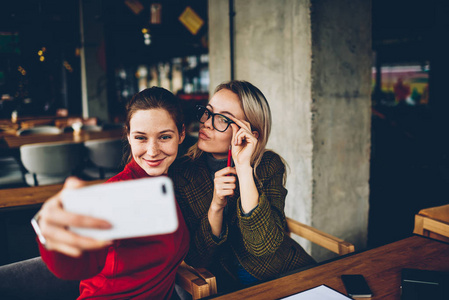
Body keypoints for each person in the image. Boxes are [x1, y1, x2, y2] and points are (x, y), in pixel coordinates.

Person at [11, 87, 189, 299]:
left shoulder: (177, 181)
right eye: (141, 138)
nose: (152, 151)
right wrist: (49, 234)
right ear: (129, 137)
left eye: (164, 137)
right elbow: (77, 266)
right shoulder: (114, 194)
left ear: (181, 135)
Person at [169, 80, 316, 292]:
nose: (207, 123)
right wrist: (216, 206)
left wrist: (244, 168)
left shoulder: (267, 165)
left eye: (222, 119)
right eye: (207, 112)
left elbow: (263, 246)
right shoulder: (182, 173)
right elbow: (197, 257)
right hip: (227, 286)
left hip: (284, 273)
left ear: (249, 133)